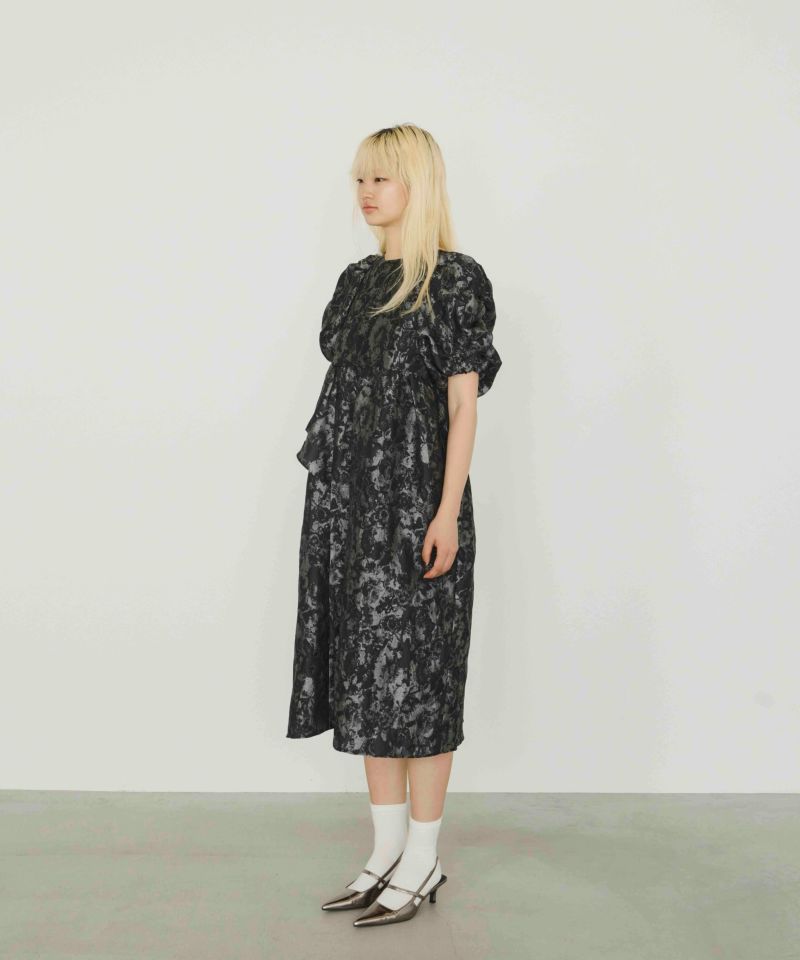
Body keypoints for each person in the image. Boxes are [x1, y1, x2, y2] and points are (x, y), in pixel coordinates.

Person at [286, 123, 502, 928]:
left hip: (418, 505)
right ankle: (383, 852)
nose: (365, 193)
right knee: (367, 679)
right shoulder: (355, 283)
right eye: (358, 180)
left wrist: (446, 511)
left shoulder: (455, 281)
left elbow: (462, 406)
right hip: (352, 507)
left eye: (381, 178)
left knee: (423, 682)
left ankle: (425, 855)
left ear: (418, 183)